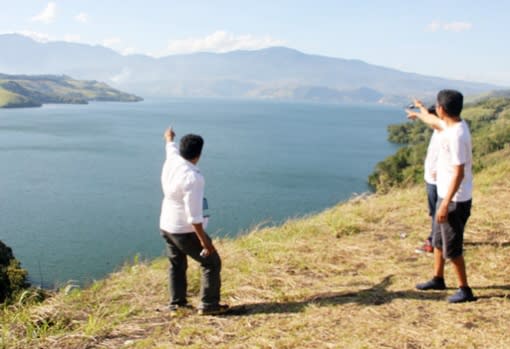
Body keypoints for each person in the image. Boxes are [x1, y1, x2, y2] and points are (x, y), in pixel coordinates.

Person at [407, 89, 475, 303]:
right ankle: (438, 278)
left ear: (442, 109)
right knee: (437, 240)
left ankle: (465, 290)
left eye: (436, 105)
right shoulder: (450, 125)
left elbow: (459, 172)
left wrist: (445, 204)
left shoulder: (457, 135)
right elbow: (430, 119)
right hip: (445, 195)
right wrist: (418, 112)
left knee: (452, 248)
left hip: (454, 200)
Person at [159, 127, 228, 315]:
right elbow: (194, 216)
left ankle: (177, 303)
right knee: (211, 262)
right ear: (198, 154)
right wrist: (205, 242)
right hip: (184, 229)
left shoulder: (173, 160)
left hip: (166, 225)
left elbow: (169, 146)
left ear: (182, 150)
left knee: (176, 264)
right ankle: (209, 304)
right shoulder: (193, 178)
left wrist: (169, 137)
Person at [415, 106, 440, 254]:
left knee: (438, 212)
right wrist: (419, 107)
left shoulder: (444, 132)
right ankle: (436, 238)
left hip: (438, 181)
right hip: (431, 179)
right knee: (434, 212)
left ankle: (433, 241)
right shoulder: (438, 130)